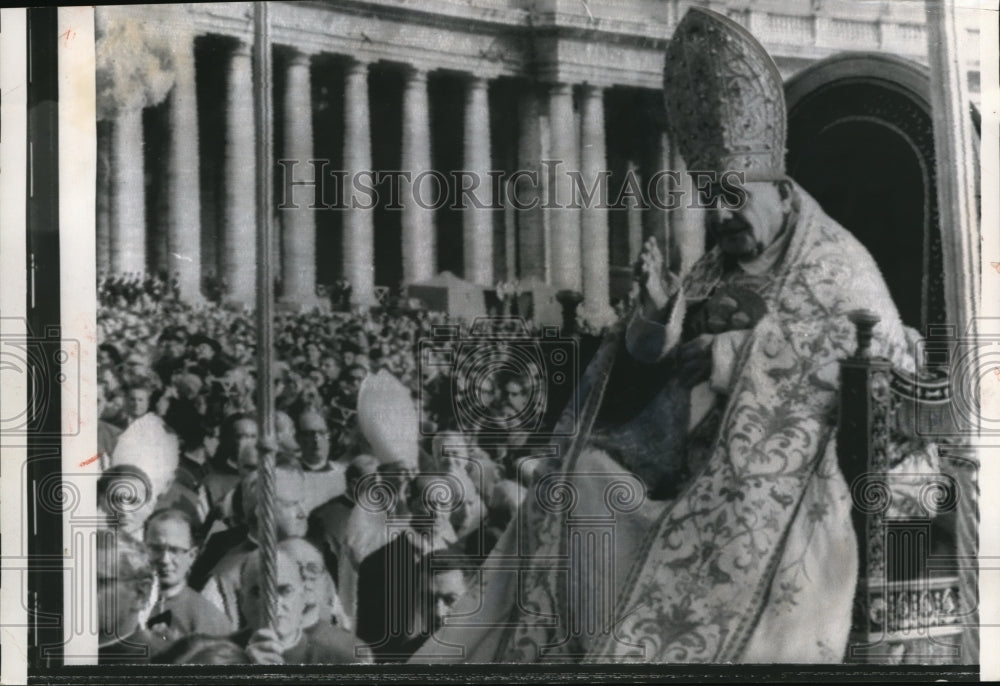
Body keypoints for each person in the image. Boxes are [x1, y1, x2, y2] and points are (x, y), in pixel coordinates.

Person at [410, 7, 923, 664]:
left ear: (782, 190)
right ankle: (594, 652)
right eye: (711, 196)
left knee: (721, 515)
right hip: (683, 465)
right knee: (578, 479)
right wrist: (654, 319)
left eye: (734, 196)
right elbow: (643, 373)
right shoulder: (720, 261)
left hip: (785, 476)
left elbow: (856, 381)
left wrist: (724, 357)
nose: (720, 214)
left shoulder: (837, 267)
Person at [235, 542, 362, 664]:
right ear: (242, 601)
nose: (273, 604)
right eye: (257, 593)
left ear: (303, 596)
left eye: (285, 591)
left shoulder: (343, 660)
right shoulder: (219, 657)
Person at [143, 508, 231, 637]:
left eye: (175, 550)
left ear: (192, 555)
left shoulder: (209, 620)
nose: (164, 560)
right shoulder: (120, 601)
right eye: (156, 549)